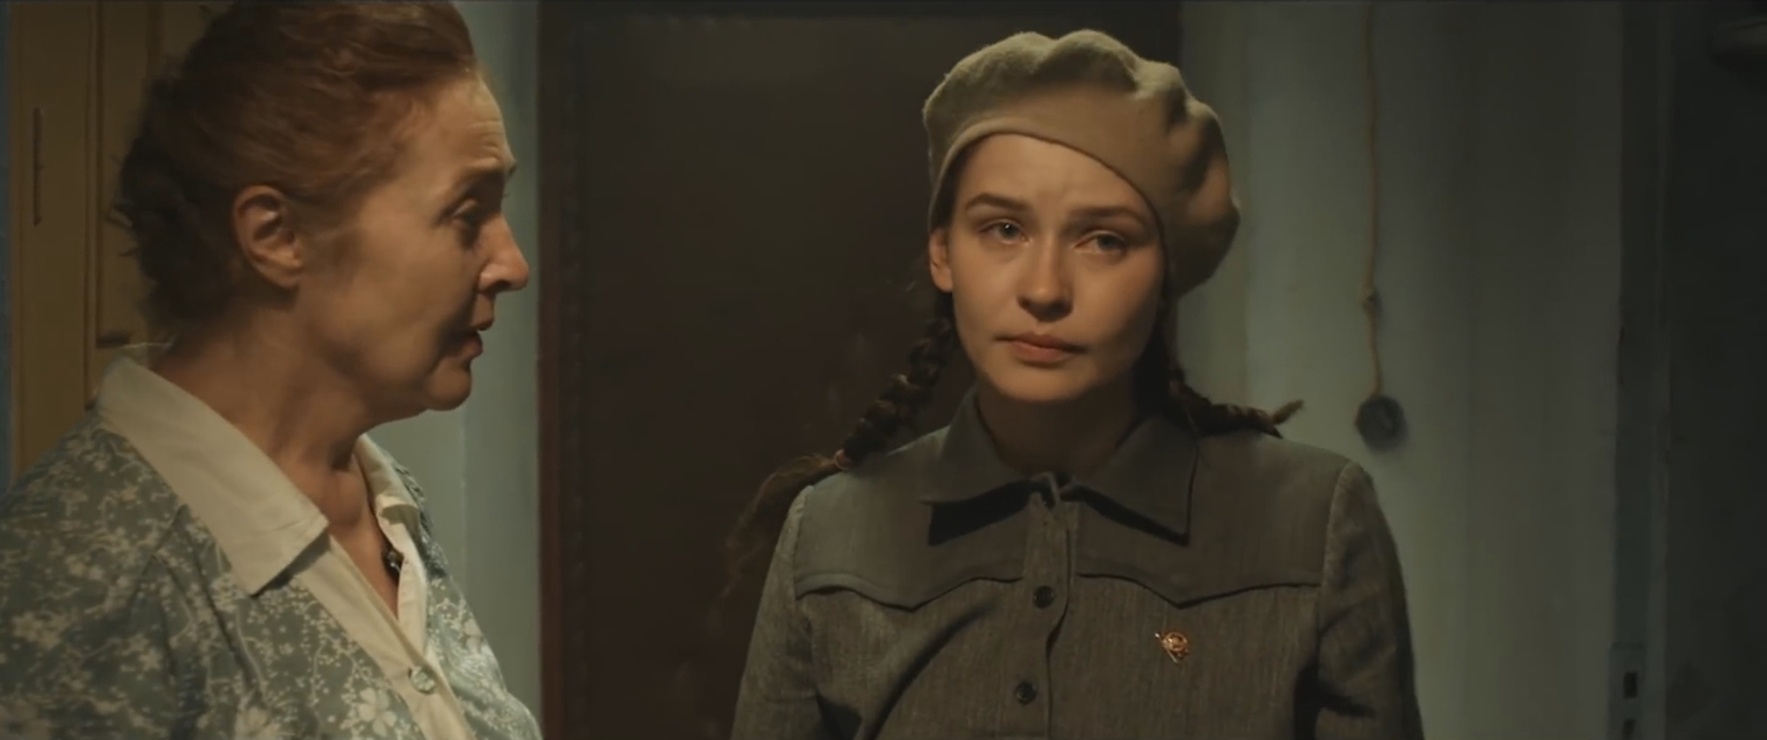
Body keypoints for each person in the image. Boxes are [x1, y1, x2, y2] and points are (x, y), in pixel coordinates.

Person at [726, 29, 1424, 739]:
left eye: (1104, 240)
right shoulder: (831, 533)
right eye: (1003, 229)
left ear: (1164, 276)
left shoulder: (1311, 520)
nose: (1044, 288)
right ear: (943, 252)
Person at [0, 3, 539, 738]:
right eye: (467, 213)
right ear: (277, 236)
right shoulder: (80, 591)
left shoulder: (384, 504)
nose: (513, 265)